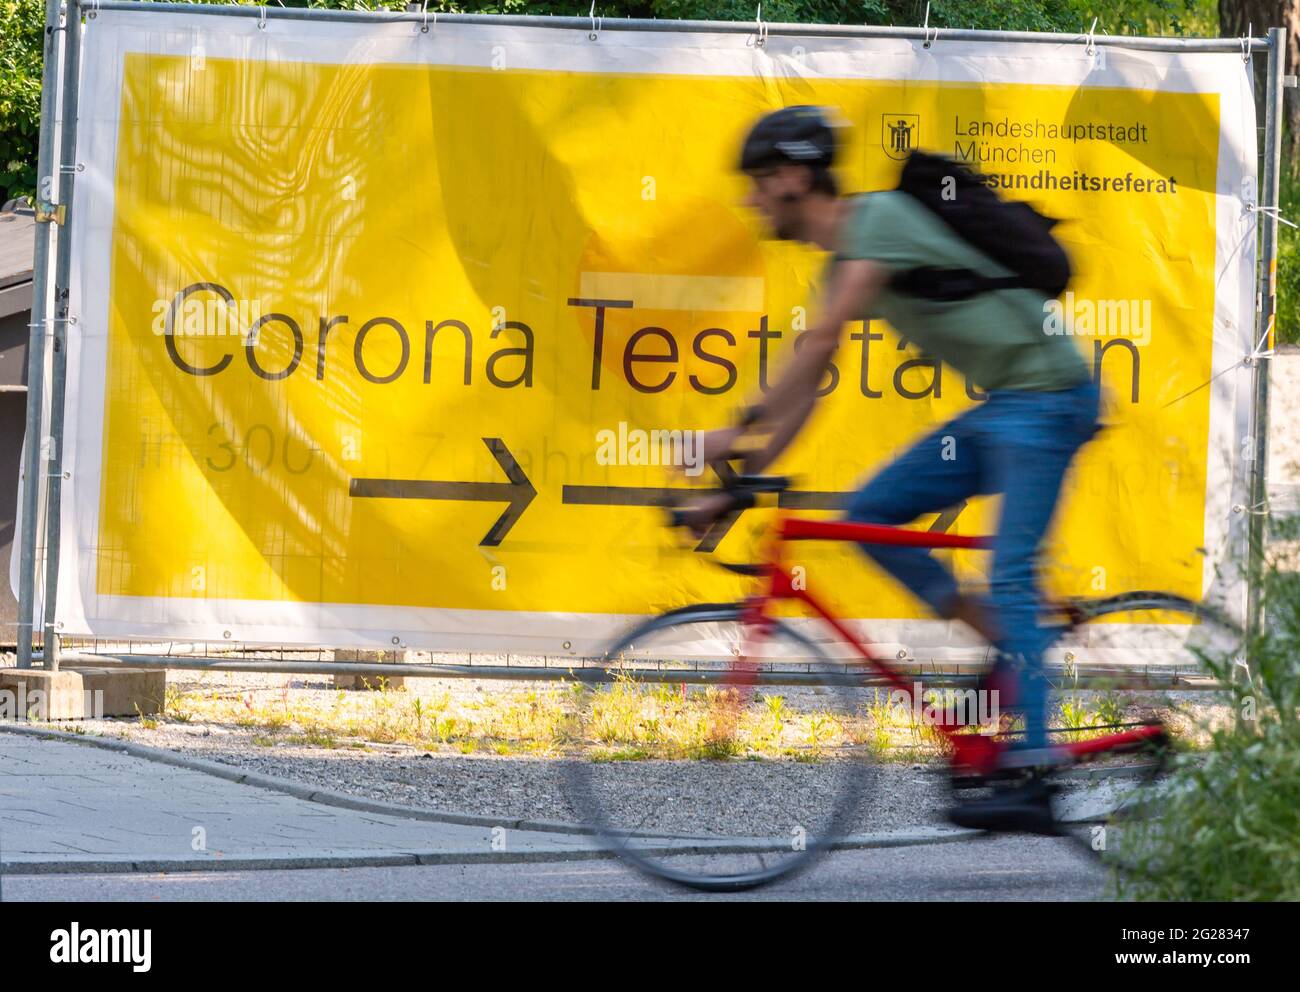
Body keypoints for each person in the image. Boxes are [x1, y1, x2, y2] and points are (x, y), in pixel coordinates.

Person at [686, 105, 1101, 834]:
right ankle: (1006, 644)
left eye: (757, 182)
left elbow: (816, 346)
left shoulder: (873, 222)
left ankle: (1037, 771)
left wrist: (734, 429)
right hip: (1007, 405)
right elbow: (810, 388)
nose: (750, 199)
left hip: (1051, 400)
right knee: (869, 520)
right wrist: (740, 480)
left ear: (793, 177)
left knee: (1010, 575)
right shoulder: (845, 262)